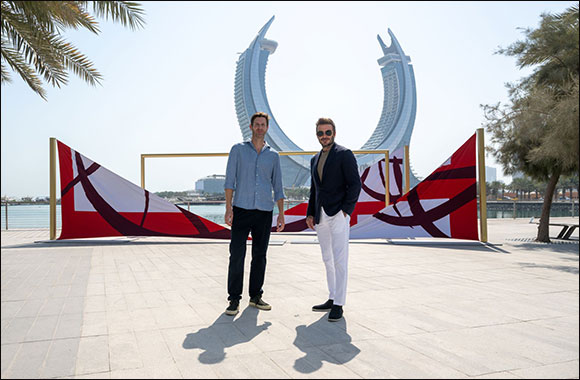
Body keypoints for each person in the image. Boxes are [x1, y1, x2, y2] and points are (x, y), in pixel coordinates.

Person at [224, 111, 285, 316]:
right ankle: (234, 299)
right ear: (251, 127)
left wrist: (281, 214)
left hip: (264, 211)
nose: (260, 128)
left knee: (260, 255)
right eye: (256, 124)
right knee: (237, 255)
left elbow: (278, 186)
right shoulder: (238, 150)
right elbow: (229, 181)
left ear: (267, 128)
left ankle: (256, 296)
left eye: (263, 125)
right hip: (241, 209)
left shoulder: (273, 156)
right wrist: (228, 208)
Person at [306, 117, 361, 322]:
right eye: (320, 133)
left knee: (340, 259)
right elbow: (314, 190)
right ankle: (331, 297)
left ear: (334, 133)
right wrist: (310, 213)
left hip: (338, 214)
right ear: (317, 135)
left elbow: (355, 184)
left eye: (327, 132)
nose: (324, 136)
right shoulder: (314, 159)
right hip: (321, 216)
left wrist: (346, 211)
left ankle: (339, 303)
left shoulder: (344, 154)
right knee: (327, 258)